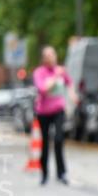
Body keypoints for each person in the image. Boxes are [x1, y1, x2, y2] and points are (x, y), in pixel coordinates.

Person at [32, 46, 72, 185]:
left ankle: (62, 173)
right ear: (43, 59)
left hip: (58, 110)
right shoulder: (39, 73)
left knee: (59, 139)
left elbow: (69, 83)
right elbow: (43, 89)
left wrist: (73, 95)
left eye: (52, 54)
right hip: (43, 112)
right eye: (47, 55)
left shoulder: (61, 70)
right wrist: (56, 76)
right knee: (45, 143)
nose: (50, 57)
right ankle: (44, 174)